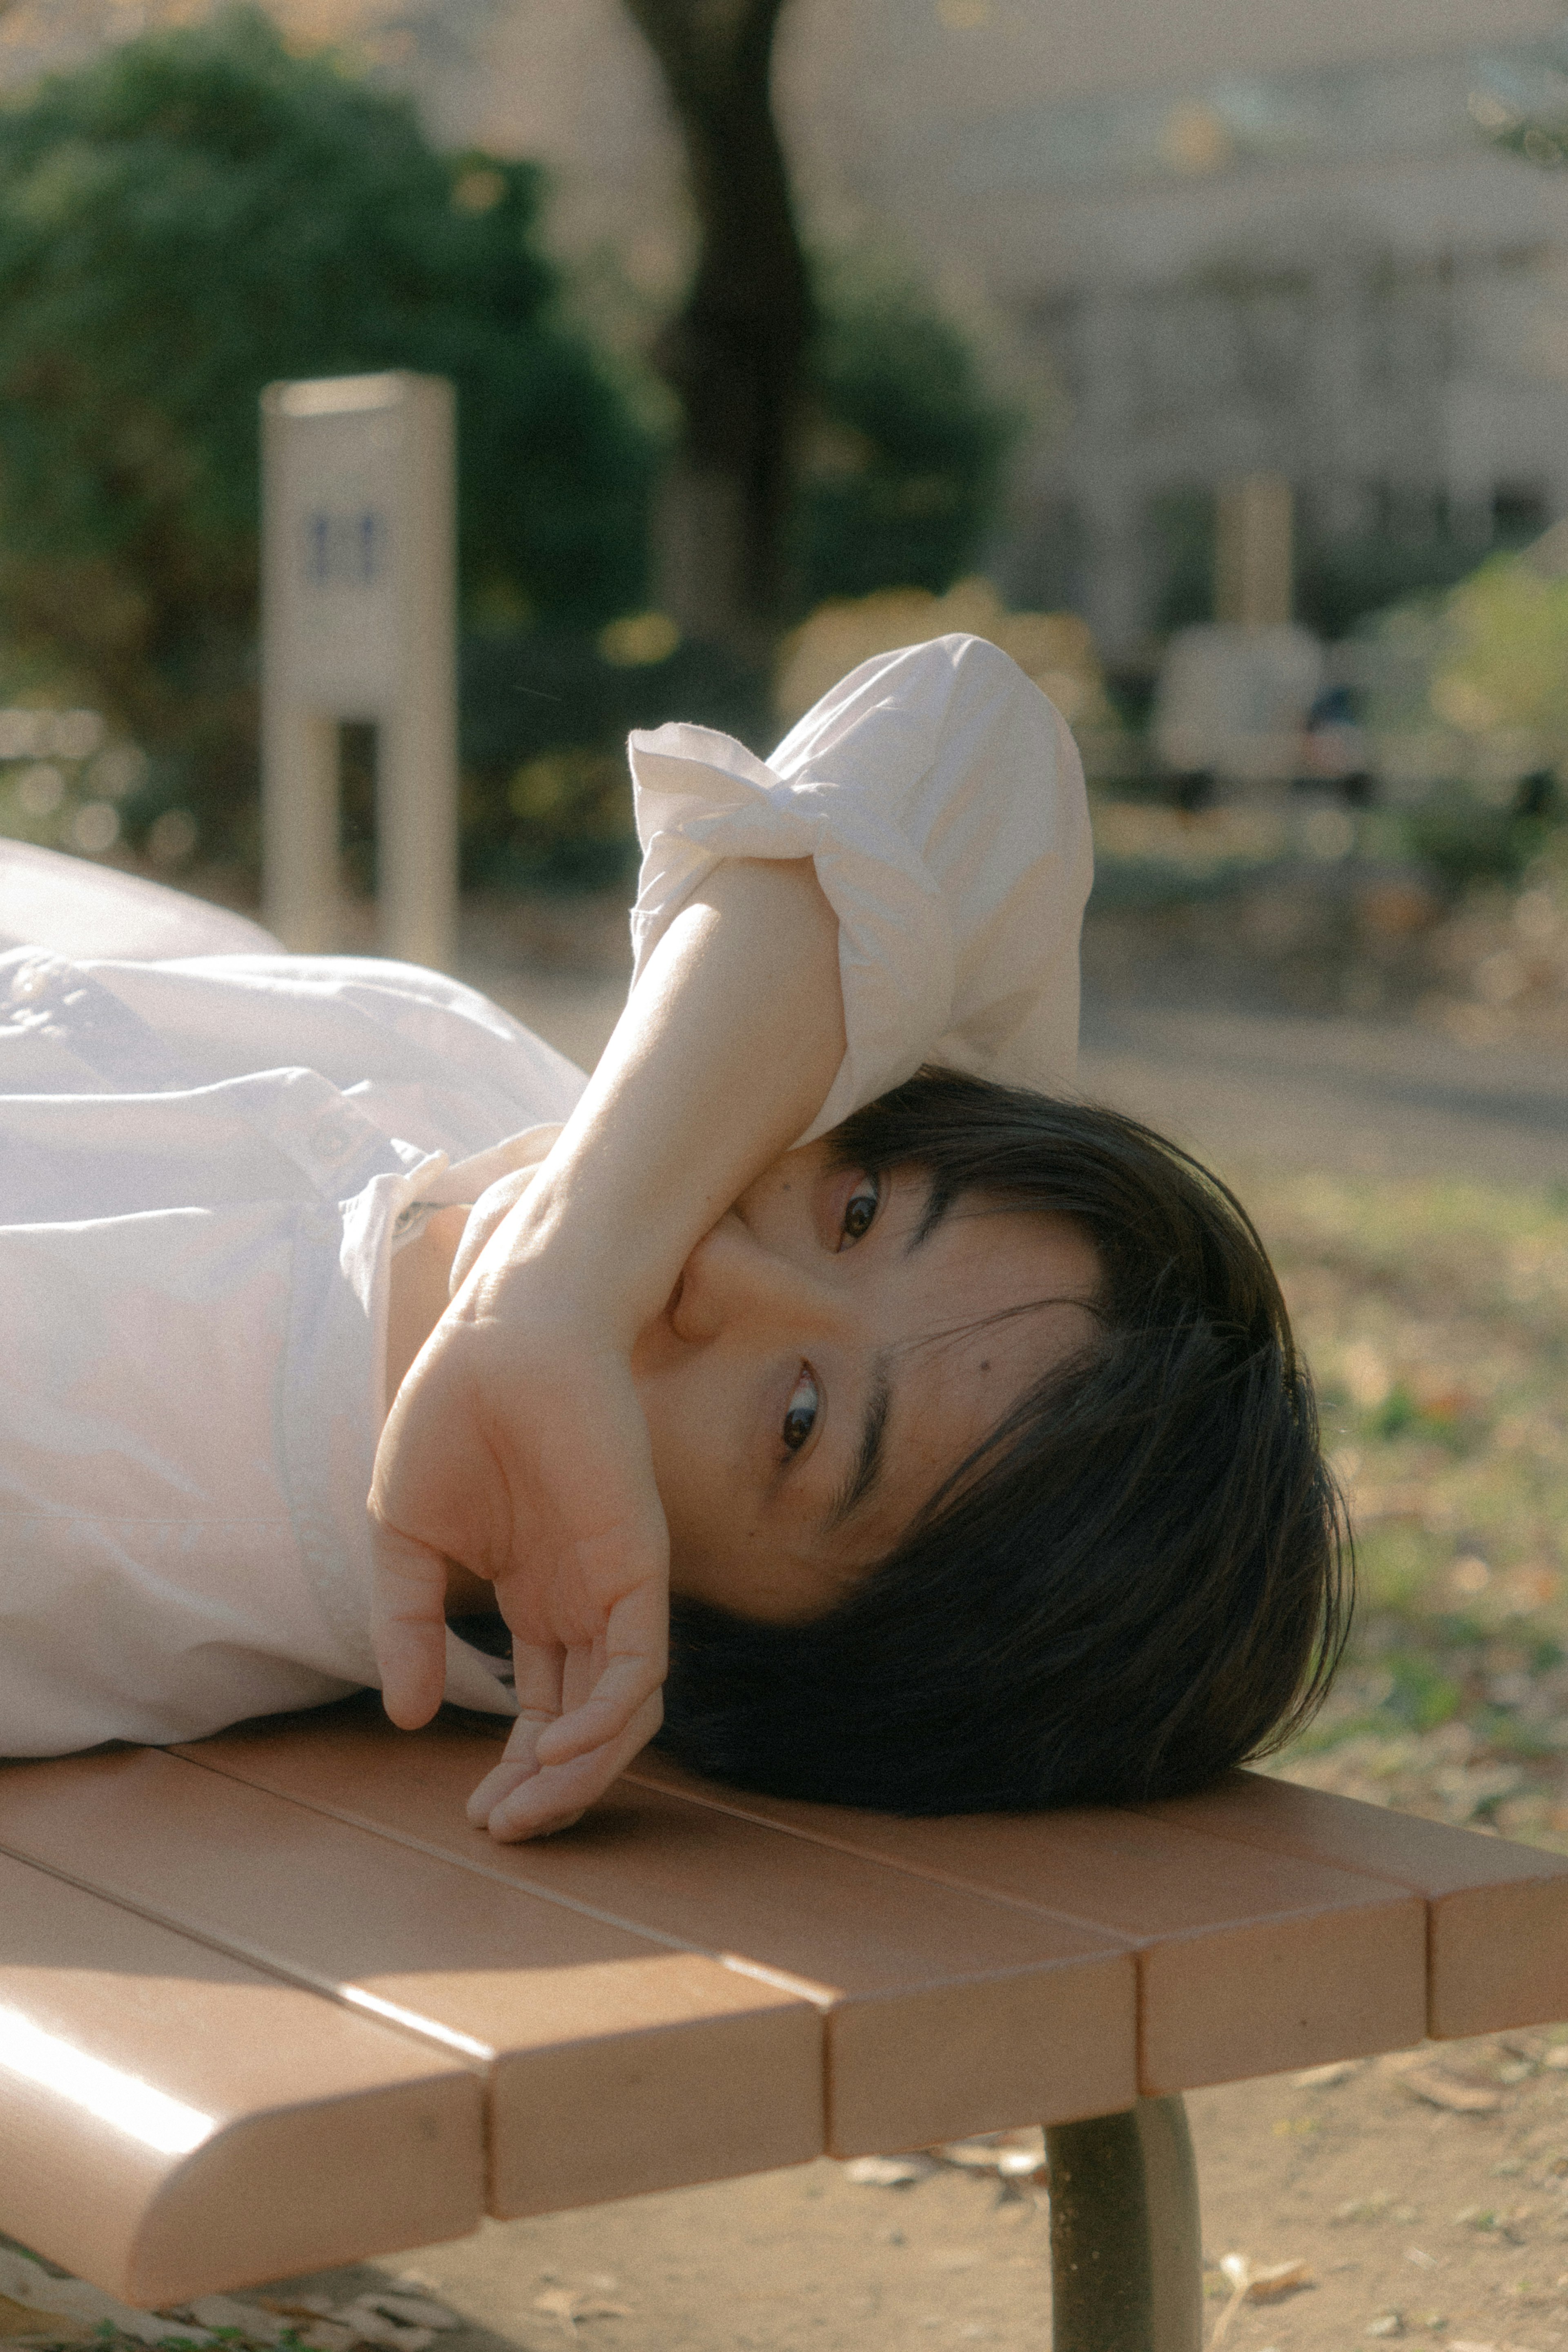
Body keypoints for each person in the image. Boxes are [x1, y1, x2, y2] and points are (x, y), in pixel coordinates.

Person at [0, 635, 1348, 1840]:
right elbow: (964, 727)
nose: (721, 1273)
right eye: (863, 1210)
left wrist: (556, 1288)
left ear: (704, 1655)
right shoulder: (655, 1145)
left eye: (803, 1420)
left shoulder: (104, 1489)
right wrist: (563, 1277)